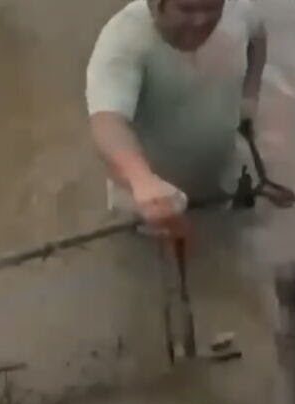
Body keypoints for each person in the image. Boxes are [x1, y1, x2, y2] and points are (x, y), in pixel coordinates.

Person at [85, 0, 267, 233]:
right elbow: (107, 123)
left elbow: (257, 36)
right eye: (186, 9)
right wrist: (142, 180)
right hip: (150, 201)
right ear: (155, 4)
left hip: (221, 183)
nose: (200, 20)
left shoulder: (239, 10)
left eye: (212, 9)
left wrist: (250, 95)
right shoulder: (124, 37)